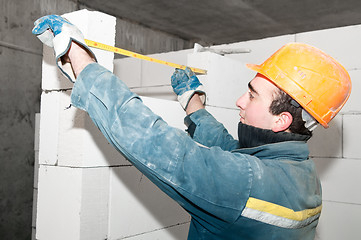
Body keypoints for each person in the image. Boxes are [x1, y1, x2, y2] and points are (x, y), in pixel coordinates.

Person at [32, 15, 351, 240]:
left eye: (252, 95)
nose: (240, 100)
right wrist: (192, 102)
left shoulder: (248, 184)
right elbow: (231, 152)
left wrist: (79, 58)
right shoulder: (300, 177)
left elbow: (155, 143)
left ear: (281, 120)